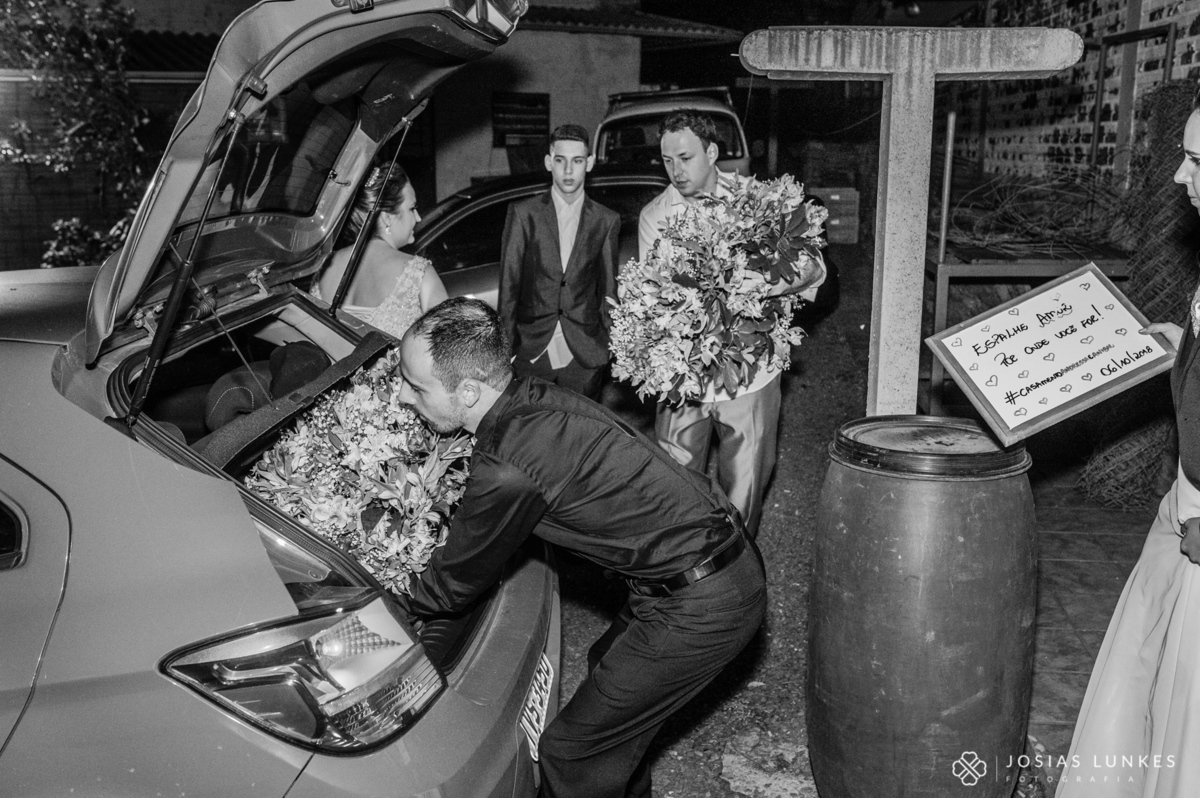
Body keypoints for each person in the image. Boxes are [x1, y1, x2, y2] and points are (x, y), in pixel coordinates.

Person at [395, 297, 767, 798]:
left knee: (572, 752)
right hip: (700, 569)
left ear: (467, 390)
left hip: (704, 602)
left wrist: (385, 597)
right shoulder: (528, 396)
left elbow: (450, 587)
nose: (402, 396)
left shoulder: (508, 466)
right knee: (608, 685)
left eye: (416, 387)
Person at [1056, 90, 1200, 796]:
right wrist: (1181, 351)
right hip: (1184, 505)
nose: (1178, 176)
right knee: (1145, 668)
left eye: (1197, 160)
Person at [637, 109, 823, 538]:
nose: (676, 171)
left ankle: (734, 585)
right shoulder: (654, 215)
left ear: (713, 152)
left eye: (685, 158)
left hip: (752, 376)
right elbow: (655, 297)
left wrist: (776, 283)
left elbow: (812, 267)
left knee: (744, 495)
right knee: (673, 494)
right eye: (667, 161)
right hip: (685, 380)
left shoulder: (757, 199)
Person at [498, 124, 620, 401]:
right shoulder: (524, 215)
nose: (568, 171)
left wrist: (612, 348)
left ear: (589, 163)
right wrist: (505, 353)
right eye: (560, 160)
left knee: (578, 436)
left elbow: (608, 293)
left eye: (577, 161)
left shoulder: (605, 220)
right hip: (531, 351)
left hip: (585, 355)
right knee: (532, 435)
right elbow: (509, 289)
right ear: (548, 162)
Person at [314, 164, 447, 339]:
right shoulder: (419, 274)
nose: (418, 218)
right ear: (387, 218)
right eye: (412, 208)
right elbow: (447, 351)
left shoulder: (324, 266)